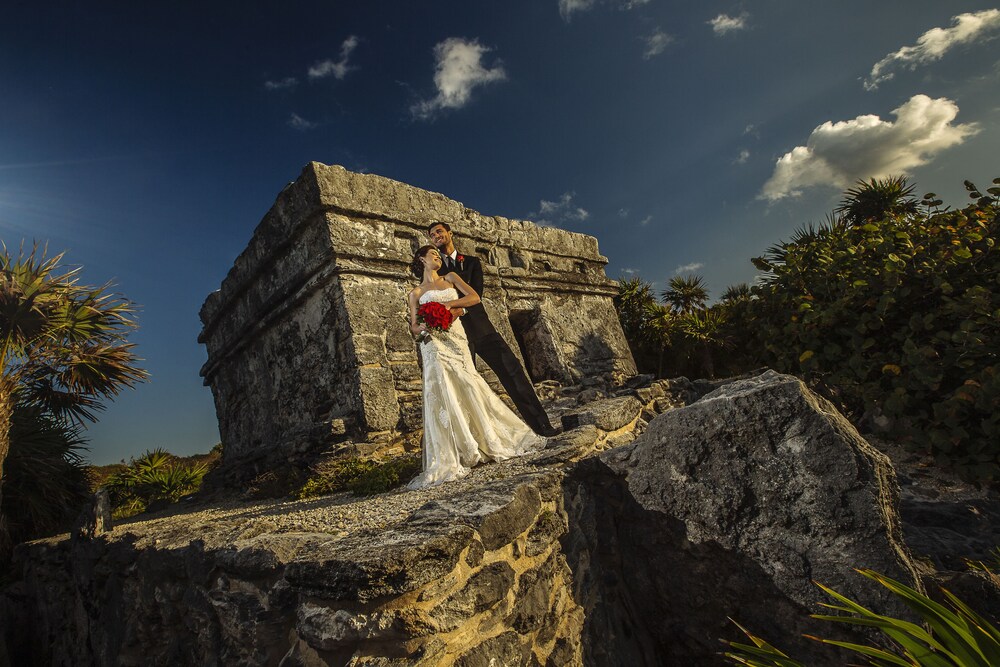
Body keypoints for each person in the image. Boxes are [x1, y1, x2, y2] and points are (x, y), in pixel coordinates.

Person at [406, 245, 545, 489]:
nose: (437, 257)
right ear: (421, 259)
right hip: (433, 343)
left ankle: (486, 439)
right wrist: (426, 325)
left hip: (455, 337)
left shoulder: (451, 278)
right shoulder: (416, 292)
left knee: (469, 380)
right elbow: (414, 327)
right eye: (433, 255)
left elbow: (474, 297)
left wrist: (446, 308)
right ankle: (458, 449)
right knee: (442, 388)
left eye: (439, 255)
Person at [427, 221, 561, 437]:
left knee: (513, 373)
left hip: (482, 329)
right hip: (455, 335)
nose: (436, 237)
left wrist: (457, 309)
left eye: (439, 232)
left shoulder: (471, 262)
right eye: (432, 235)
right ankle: (474, 440)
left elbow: (476, 295)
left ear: (450, 233)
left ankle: (542, 426)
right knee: (462, 386)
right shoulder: (434, 270)